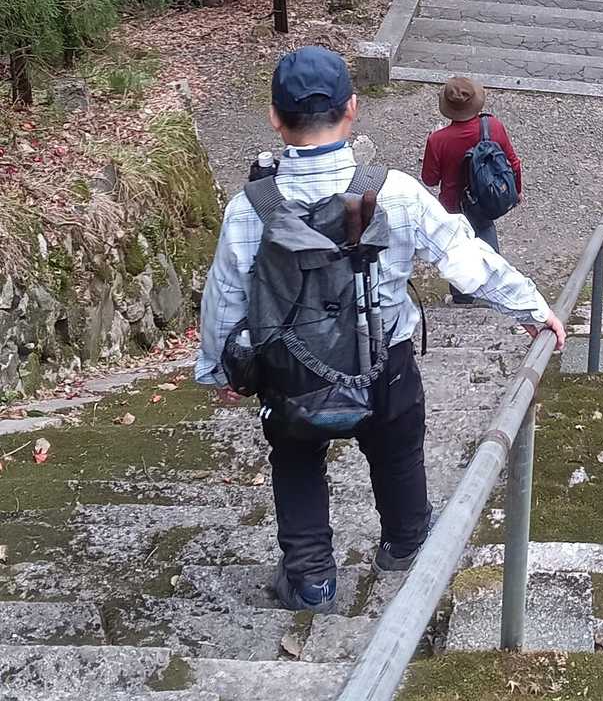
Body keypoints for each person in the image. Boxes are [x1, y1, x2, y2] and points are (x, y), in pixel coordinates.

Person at [196, 48, 565, 607]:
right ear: (352, 108)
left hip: (289, 370)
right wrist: (531, 310)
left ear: (274, 117)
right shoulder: (392, 190)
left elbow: (226, 294)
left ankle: (311, 580)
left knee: (296, 462)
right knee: (397, 450)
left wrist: (221, 369)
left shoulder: (250, 207)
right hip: (383, 363)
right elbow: (464, 257)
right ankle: (405, 544)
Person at [422, 75, 522, 306]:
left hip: (453, 205)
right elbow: (514, 163)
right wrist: (516, 191)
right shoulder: (493, 127)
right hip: (486, 198)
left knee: (456, 251)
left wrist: (432, 142)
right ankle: (495, 294)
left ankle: (462, 299)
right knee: (487, 240)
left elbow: (430, 179)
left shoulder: (438, 139)